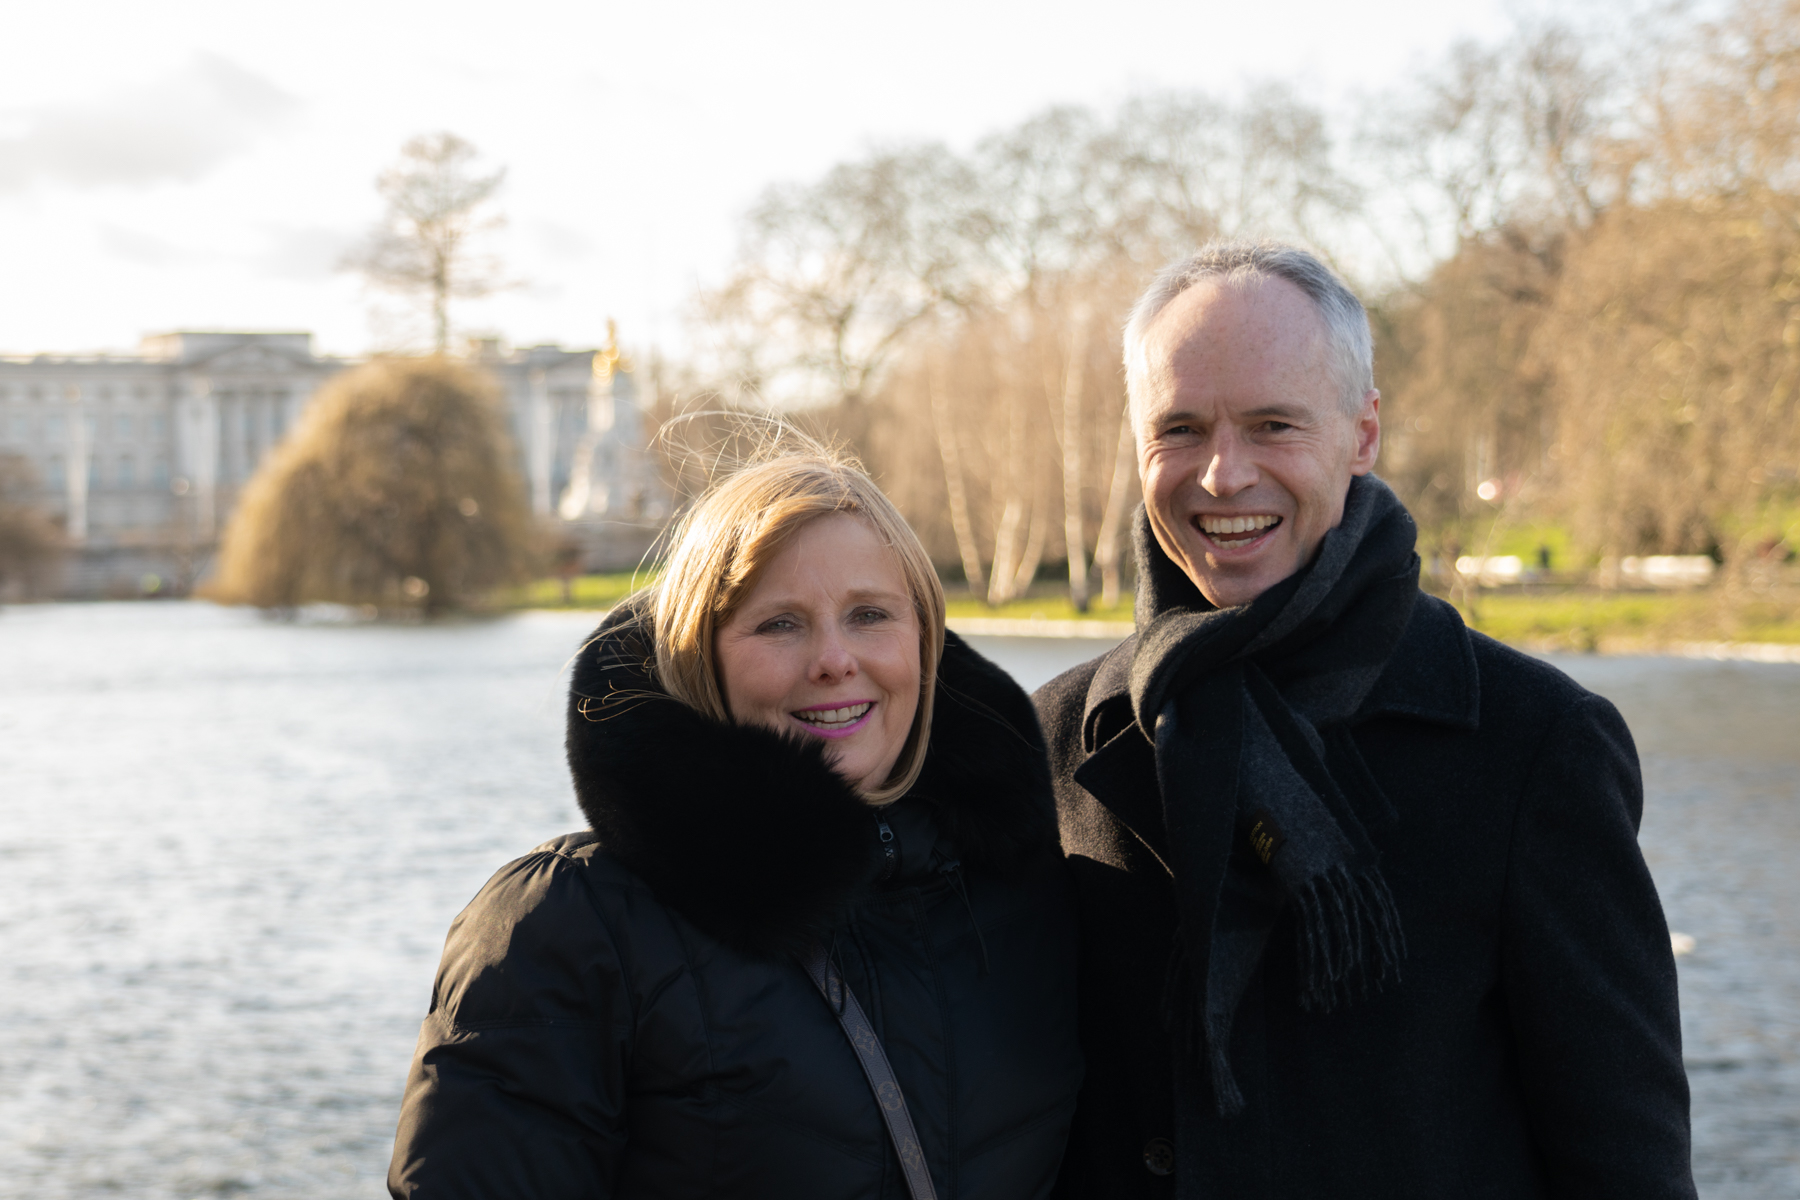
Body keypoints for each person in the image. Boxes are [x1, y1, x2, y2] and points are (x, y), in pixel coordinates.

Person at [1035, 242, 1695, 1199]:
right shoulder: (1054, 741)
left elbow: (1625, 1163)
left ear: (1362, 434)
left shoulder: (1533, 745)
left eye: (1273, 424)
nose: (1223, 475)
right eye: (1180, 428)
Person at [389, 451, 1081, 1199]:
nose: (833, 660)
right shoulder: (569, 929)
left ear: (926, 640)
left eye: (870, 615)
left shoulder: (1028, 892)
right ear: (700, 656)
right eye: (779, 624)